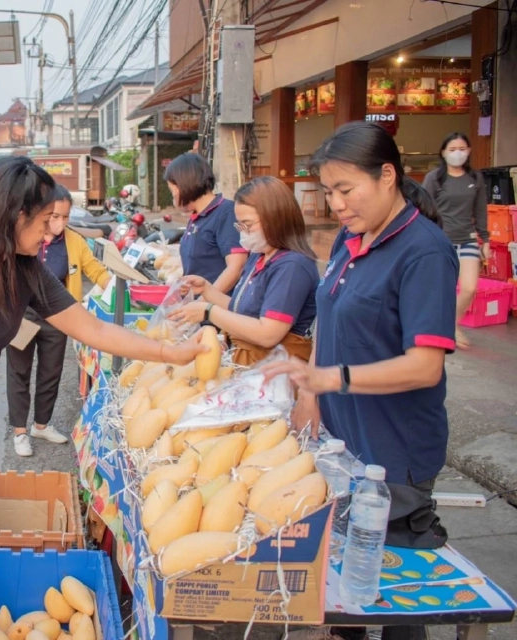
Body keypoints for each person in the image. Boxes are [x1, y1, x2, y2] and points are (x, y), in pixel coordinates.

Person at [0, 155, 207, 640]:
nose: (52, 233)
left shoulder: (24, 270)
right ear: (13, 216)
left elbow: (91, 327)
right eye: (43, 221)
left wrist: (168, 352)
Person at [265, 121, 456, 640]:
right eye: (329, 192)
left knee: (391, 595)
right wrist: (310, 392)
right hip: (342, 441)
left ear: (387, 175)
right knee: (341, 591)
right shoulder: (352, 241)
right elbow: (329, 320)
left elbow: (425, 364)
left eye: (346, 190)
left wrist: (331, 378)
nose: (337, 205)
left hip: (394, 450)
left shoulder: (424, 250)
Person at [168, 175, 319, 366]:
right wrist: (207, 289)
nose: (242, 232)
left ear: (276, 218)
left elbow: (268, 334)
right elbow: (242, 309)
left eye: (248, 224)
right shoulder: (259, 256)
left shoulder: (292, 266)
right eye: (239, 225)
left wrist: (209, 312)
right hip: (250, 365)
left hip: (275, 373)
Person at [7, 184, 112, 457]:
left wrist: (118, 285)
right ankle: (19, 430)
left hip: (58, 316)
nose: (59, 223)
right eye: (54, 216)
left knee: (51, 372)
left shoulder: (74, 241)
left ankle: (41, 425)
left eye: (65, 217)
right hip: (24, 317)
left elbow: (94, 269)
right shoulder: (25, 238)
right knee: (19, 372)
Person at [422, 132, 489, 348]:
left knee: (469, 288)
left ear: (468, 151)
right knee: (444, 288)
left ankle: (451, 324)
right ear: (443, 153)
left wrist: (485, 239)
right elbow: (423, 207)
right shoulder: (434, 178)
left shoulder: (475, 179)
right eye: (452, 150)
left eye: (461, 149)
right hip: (441, 241)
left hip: (468, 239)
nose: (457, 153)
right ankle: (435, 327)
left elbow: (480, 211)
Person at [164, 152, 248, 292]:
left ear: (183, 185)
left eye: (172, 190)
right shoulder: (197, 217)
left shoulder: (226, 213)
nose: (173, 195)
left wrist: (204, 301)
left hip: (217, 308)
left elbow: (236, 268)